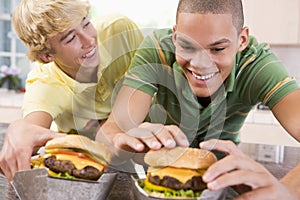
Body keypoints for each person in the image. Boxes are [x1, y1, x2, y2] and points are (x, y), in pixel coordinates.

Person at [97, 0, 300, 198]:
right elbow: (110, 131)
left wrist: (288, 191)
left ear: (242, 40)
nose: (201, 63)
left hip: (221, 179)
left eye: (217, 49)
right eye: (187, 46)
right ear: (175, 37)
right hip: (155, 177)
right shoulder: (157, 51)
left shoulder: (256, 66)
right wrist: (117, 141)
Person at [0, 0, 144, 181]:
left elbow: (154, 79)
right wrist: (19, 129)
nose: (89, 40)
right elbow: (31, 129)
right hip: (87, 171)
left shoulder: (119, 30)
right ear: (47, 55)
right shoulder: (45, 83)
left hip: (146, 147)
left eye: (85, 23)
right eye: (71, 38)